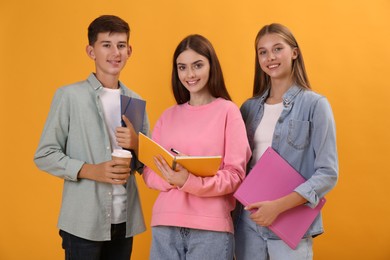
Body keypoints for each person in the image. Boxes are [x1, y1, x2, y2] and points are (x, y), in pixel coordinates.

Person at [34, 15, 149, 259]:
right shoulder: (69, 96)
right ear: (91, 51)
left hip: (124, 221)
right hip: (83, 222)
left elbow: (143, 164)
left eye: (120, 45)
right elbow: (44, 155)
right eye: (106, 44)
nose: (115, 52)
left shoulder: (135, 101)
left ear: (130, 51)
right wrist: (89, 170)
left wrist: (138, 145)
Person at [141, 34, 251, 260]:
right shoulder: (168, 116)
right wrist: (173, 178)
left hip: (211, 229)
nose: (190, 74)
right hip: (165, 224)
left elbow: (235, 175)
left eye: (197, 65)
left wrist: (188, 181)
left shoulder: (228, 112)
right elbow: (149, 172)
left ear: (211, 66)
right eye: (182, 67)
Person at [234, 23, 338, 260]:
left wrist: (277, 207)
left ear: (294, 52)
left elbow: (328, 173)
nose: (270, 57)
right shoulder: (248, 108)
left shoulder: (315, 105)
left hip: (289, 222)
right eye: (263, 51)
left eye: (277, 49)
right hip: (248, 223)